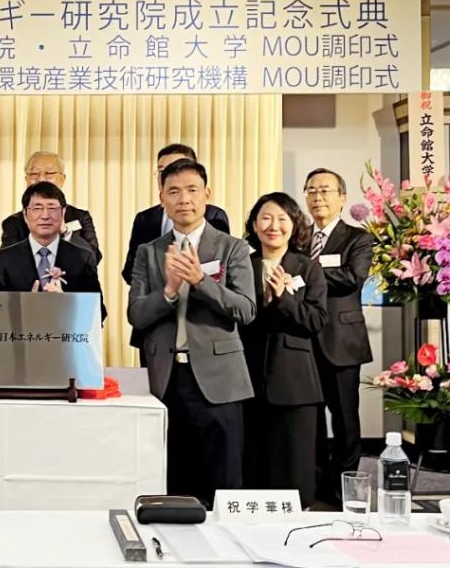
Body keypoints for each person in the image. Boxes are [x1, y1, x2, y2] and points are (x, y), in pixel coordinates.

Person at [127, 158, 255, 506]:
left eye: (192, 190)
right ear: (162, 200)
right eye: (173, 192)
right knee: (172, 478)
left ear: (207, 195)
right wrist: (168, 291)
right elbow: (136, 314)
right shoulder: (148, 252)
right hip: (166, 379)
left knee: (223, 482)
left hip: (219, 379)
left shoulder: (232, 247)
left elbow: (246, 309)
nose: (183, 199)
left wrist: (200, 281)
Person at [239, 192, 329, 508]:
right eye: (265, 218)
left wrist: (284, 299)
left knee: (295, 461)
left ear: (294, 224)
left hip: (295, 381)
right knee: (252, 458)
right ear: (254, 224)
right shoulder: (242, 265)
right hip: (247, 375)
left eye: (282, 218)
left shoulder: (308, 268)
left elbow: (316, 321)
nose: (273, 226)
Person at [303, 168, 374, 504]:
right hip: (303, 340)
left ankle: (344, 487)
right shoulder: (298, 237)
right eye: (311, 190)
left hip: (341, 340)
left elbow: (352, 277)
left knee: (345, 417)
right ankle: (314, 481)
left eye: (325, 190)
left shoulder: (357, 238)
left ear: (342, 198)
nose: (317, 197)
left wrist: (308, 272)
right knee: (311, 417)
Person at [0, 181, 104, 319]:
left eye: (52, 208)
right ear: (25, 214)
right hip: (20, 332)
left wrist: (67, 303)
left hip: (66, 331)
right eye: (37, 208)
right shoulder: (3, 259)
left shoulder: (83, 258)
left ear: (63, 213)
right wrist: (23, 307)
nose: (45, 216)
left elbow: (98, 312)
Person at [122, 144, 230, 285]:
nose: (168, 175)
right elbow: (130, 270)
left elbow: (222, 267)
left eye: (177, 168)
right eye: (162, 171)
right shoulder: (145, 219)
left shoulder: (214, 216)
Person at [0, 151, 100, 262]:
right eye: (34, 174)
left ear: (62, 179)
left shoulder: (80, 217)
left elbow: (94, 258)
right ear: (26, 179)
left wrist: (65, 232)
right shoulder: (14, 222)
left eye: (49, 173)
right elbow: (5, 262)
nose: (41, 179)